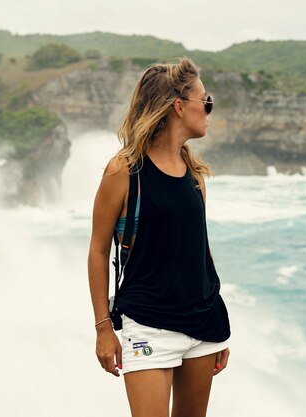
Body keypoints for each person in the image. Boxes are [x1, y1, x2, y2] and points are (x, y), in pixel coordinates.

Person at [87, 57, 231, 417]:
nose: (209, 109)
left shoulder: (193, 175)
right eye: (205, 101)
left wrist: (218, 327)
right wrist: (104, 328)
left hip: (203, 326)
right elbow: (98, 250)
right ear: (179, 106)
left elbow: (199, 252)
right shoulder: (125, 170)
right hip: (149, 326)